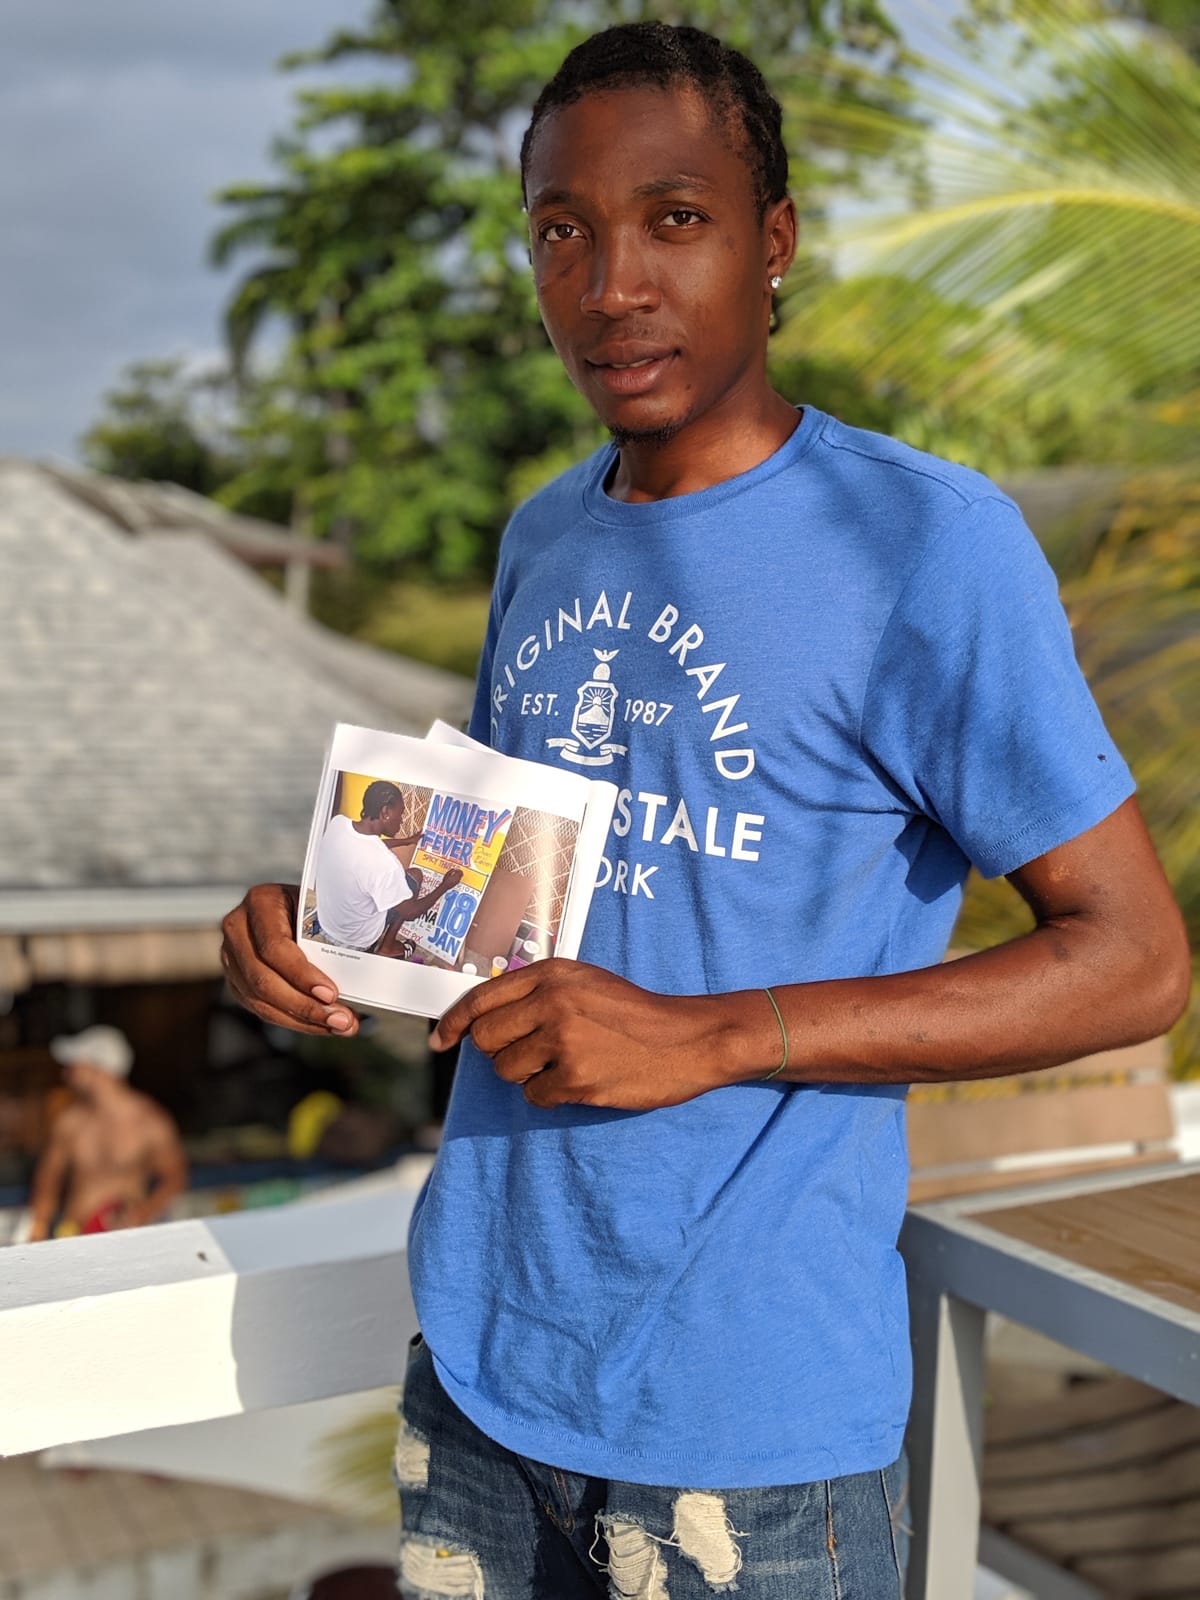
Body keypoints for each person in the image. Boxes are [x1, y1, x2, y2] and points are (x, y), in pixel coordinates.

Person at [221, 23, 1190, 1598]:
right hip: (482, 1365)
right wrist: (324, 929)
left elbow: (1137, 962)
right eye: (564, 230)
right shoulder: (544, 535)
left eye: (675, 219)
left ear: (775, 243)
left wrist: (716, 1034)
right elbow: (506, 922)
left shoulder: (924, 543)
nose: (611, 284)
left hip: (753, 1435)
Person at [28, 1026, 188, 1241]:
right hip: (73, 1234)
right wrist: (38, 1228)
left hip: (126, 1237)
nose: (66, 1072)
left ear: (98, 1069)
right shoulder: (70, 1121)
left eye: (75, 1065)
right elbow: (48, 1180)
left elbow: (175, 1177)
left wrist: (145, 1211)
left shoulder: (150, 1122)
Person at [315, 779, 462, 956]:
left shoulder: (338, 824)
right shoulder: (385, 865)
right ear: (385, 812)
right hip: (354, 940)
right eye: (400, 814)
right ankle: (387, 947)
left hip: (327, 924)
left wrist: (406, 841)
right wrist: (445, 885)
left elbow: (369, 844)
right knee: (415, 876)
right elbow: (411, 912)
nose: (401, 821)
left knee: (391, 887)